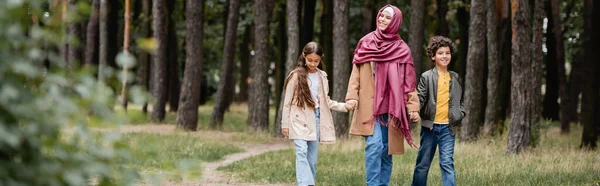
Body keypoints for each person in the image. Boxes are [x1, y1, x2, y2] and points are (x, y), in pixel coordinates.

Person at [345, 4, 420, 186]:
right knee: (375, 145)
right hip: (370, 106)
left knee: (387, 149)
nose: (382, 19)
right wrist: (351, 96)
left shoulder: (402, 49)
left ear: (395, 22)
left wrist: (413, 107)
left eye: (387, 17)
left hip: (393, 107)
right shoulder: (366, 42)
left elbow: (409, 82)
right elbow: (356, 73)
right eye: (381, 16)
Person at [282, 41, 350, 186]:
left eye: (316, 61)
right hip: (298, 119)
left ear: (321, 59)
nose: (313, 64)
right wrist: (285, 125)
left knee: (311, 159)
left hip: (316, 118)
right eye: (310, 60)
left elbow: (326, 101)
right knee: (301, 152)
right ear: (303, 56)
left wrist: (345, 106)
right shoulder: (295, 76)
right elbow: (287, 103)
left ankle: (309, 182)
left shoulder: (322, 76)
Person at [411, 36, 465, 186]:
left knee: (447, 162)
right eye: (440, 53)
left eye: (447, 53)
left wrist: (460, 113)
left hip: (448, 128)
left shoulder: (454, 77)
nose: (444, 56)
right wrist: (415, 110)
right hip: (430, 127)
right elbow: (420, 98)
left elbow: (459, 100)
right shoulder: (426, 77)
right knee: (423, 164)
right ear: (433, 56)